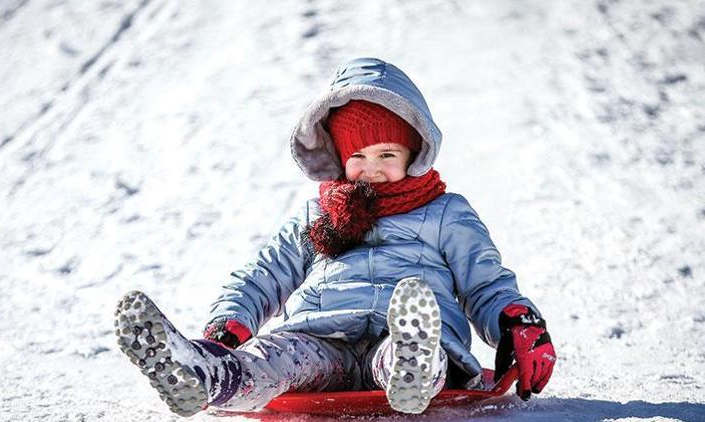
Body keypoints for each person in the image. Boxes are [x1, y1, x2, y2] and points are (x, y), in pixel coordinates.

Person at [114, 57, 556, 416]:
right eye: (358, 156)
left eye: (387, 153)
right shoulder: (319, 214)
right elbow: (265, 275)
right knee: (276, 358)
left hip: (406, 335)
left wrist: (517, 320)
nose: (372, 167)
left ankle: (413, 366)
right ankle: (207, 376)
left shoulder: (446, 212)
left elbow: (486, 283)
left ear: (414, 151)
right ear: (339, 157)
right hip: (322, 338)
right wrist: (227, 328)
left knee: (414, 347)